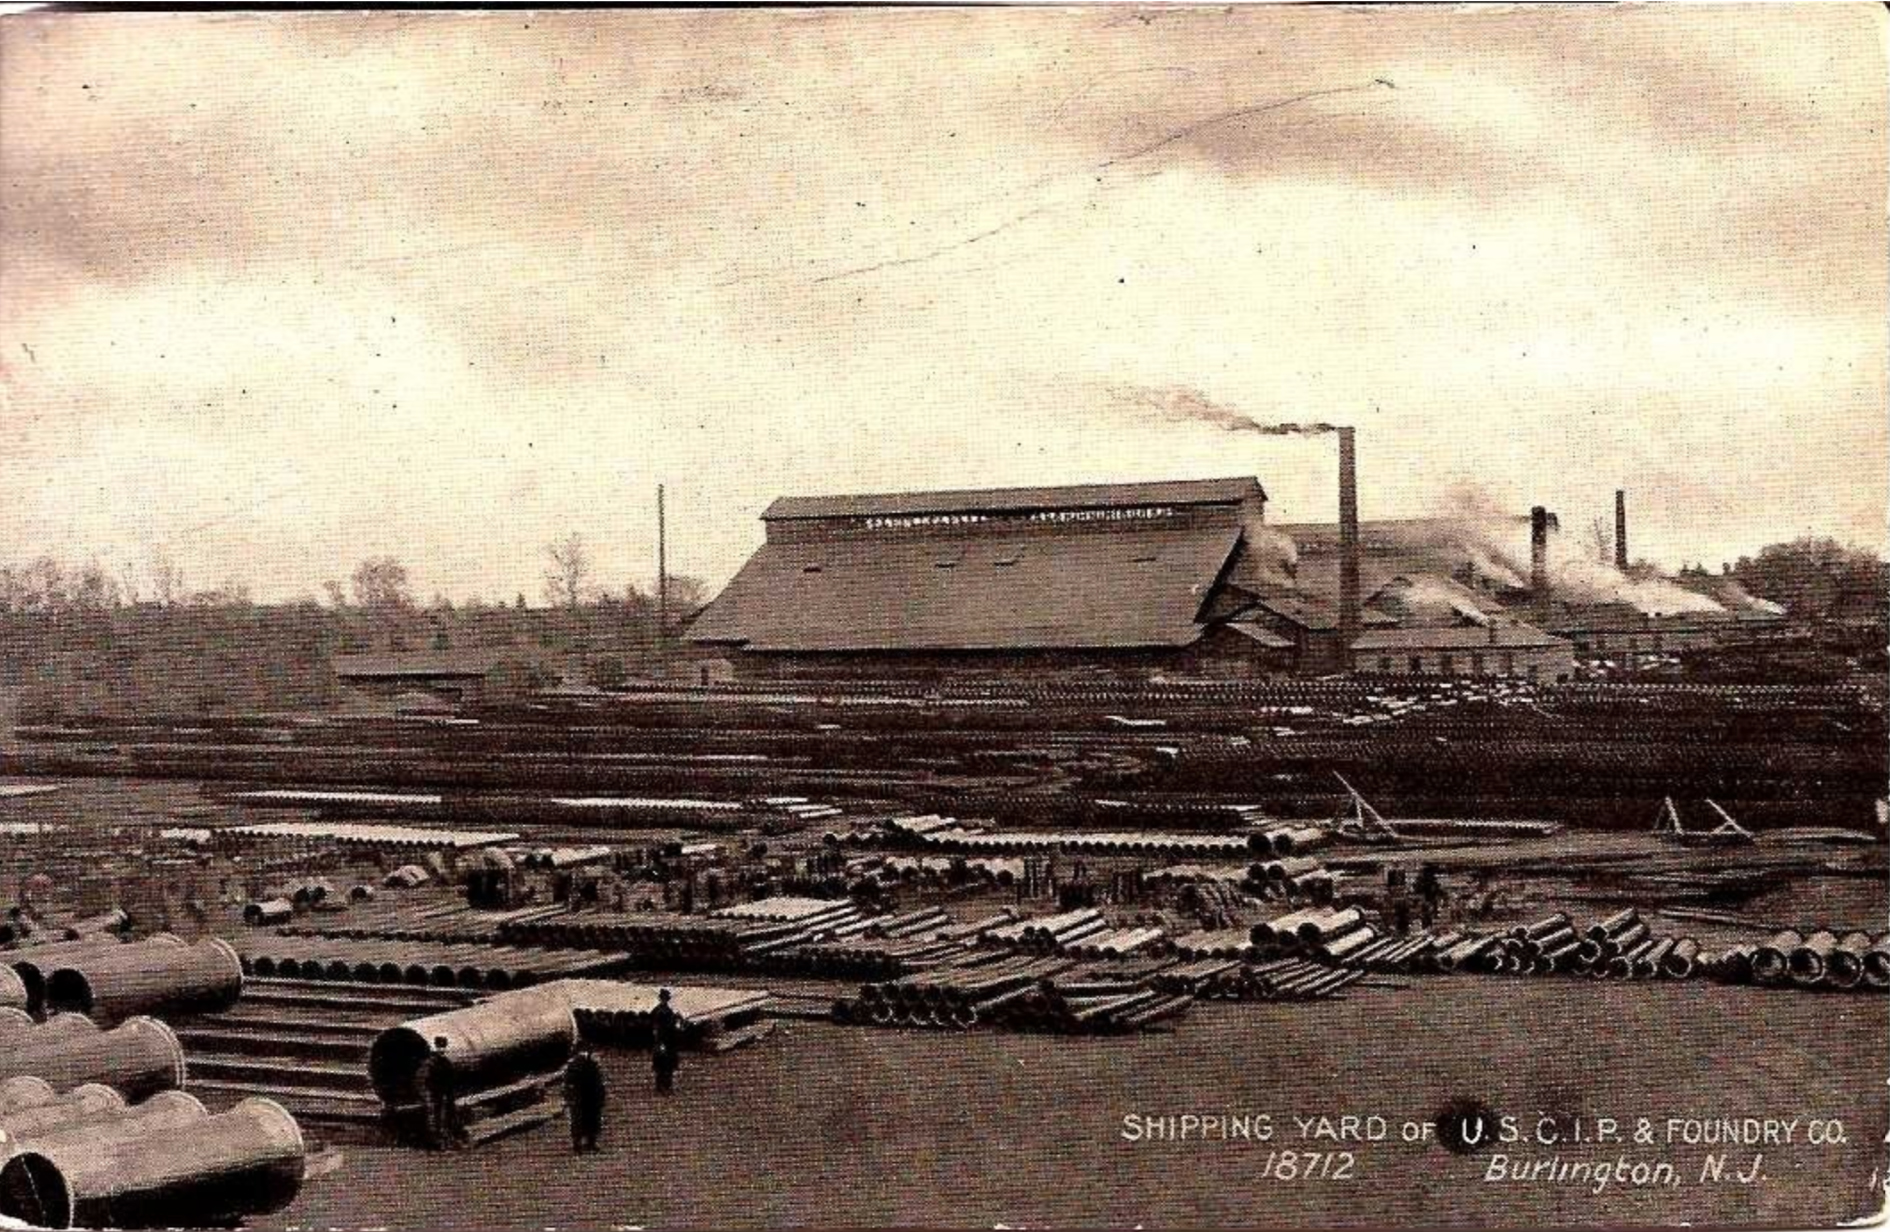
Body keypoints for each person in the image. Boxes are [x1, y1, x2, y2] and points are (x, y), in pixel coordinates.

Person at [414, 1037, 460, 1150]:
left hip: (443, 1093)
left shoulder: (444, 1062)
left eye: (443, 1047)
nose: (442, 1050)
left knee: (444, 1117)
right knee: (434, 1117)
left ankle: (444, 1140)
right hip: (434, 1093)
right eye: (440, 1047)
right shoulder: (431, 1062)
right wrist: (427, 1094)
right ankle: (436, 1141)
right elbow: (423, 1080)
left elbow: (450, 1079)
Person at [564, 1044, 606, 1153]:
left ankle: (582, 1144)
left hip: (584, 1098)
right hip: (586, 1098)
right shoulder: (586, 1064)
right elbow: (597, 1083)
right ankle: (585, 1144)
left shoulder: (578, 1064)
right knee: (586, 1121)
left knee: (582, 1121)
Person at [650, 988, 681, 1095]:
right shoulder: (659, 1011)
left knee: (667, 1066)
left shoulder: (666, 1011)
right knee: (663, 1065)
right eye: (663, 998)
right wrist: (660, 1043)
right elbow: (657, 1028)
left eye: (666, 998)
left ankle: (665, 1086)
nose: (665, 1000)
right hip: (664, 1041)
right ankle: (662, 1087)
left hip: (669, 1041)